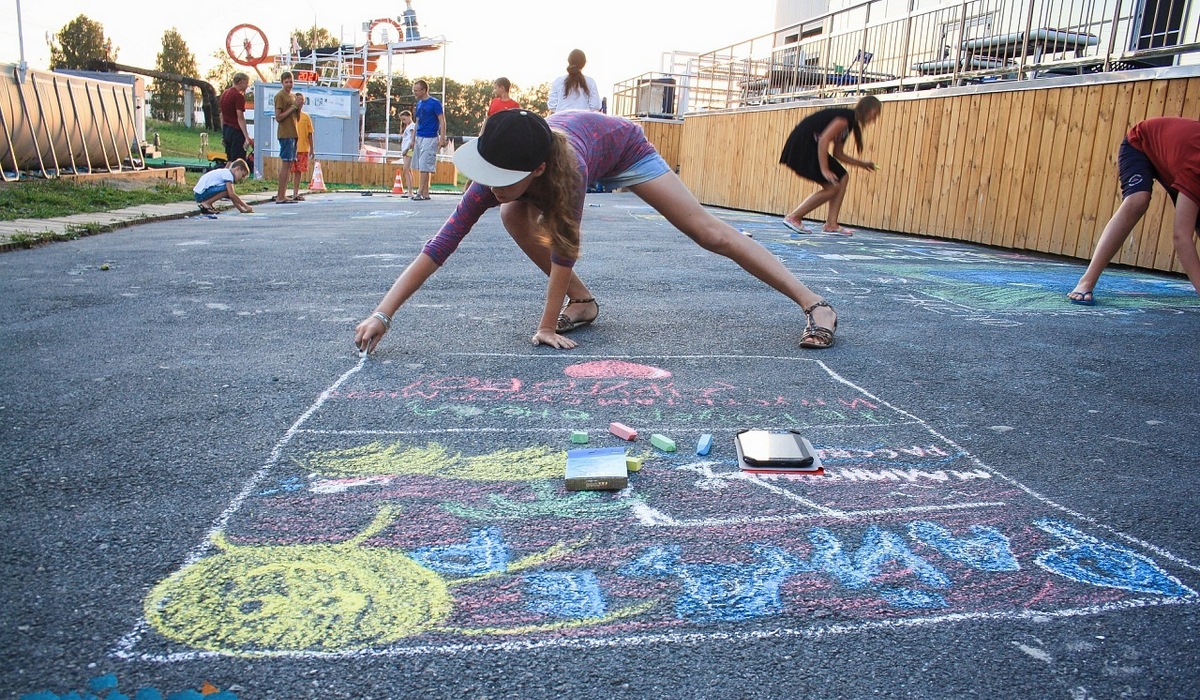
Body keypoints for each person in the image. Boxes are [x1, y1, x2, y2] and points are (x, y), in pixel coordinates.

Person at [354, 109, 840, 354]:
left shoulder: (569, 173)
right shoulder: (499, 174)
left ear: (537, 171)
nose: (491, 185)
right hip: (571, 149)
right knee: (509, 214)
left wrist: (546, 326)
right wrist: (383, 314)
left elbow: (564, 249)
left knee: (708, 233)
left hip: (624, 148)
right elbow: (440, 246)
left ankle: (815, 303)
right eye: (489, 175)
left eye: (504, 180)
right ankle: (583, 303)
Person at [1068, 117, 1200, 304]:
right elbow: (1181, 236)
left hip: (1174, 157)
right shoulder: (1195, 168)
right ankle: (1086, 281)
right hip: (1140, 143)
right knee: (1138, 200)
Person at [780, 95, 881, 236]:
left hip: (810, 146)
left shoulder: (850, 123)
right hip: (802, 146)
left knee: (843, 176)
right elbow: (823, 140)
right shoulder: (845, 118)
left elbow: (838, 153)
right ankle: (794, 217)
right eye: (875, 115)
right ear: (868, 109)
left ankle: (831, 224)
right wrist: (825, 169)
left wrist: (862, 164)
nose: (874, 119)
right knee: (833, 187)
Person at [410, 80, 447, 201]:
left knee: (425, 165)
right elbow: (417, 122)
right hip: (419, 136)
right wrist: (413, 139)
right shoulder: (419, 104)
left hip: (430, 137)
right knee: (421, 165)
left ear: (424, 90)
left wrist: (442, 138)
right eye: (414, 90)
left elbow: (442, 120)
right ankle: (425, 192)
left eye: (417, 90)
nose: (415, 92)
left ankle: (420, 192)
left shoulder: (434, 103)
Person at [273, 72, 301, 204]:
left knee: (289, 164)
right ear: (282, 83)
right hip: (285, 133)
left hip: (294, 133)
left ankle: (283, 194)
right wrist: (293, 107)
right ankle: (280, 195)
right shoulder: (280, 96)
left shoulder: (293, 96)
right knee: (285, 163)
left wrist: (299, 107)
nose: (289, 84)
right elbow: (278, 117)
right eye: (286, 82)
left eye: (291, 82)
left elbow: (297, 118)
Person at [548, 49, 601, 113]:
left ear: (569, 61)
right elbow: (595, 106)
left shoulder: (558, 81)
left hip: (561, 118)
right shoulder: (590, 82)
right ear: (584, 63)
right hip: (583, 118)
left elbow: (552, 105)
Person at [219, 72, 254, 165]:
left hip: (227, 129)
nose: (247, 86)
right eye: (246, 83)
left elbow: (222, 115)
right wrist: (246, 137)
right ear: (241, 82)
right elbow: (240, 117)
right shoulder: (238, 96)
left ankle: (225, 173)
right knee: (238, 161)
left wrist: (223, 133)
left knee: (230, 159)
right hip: (236, 131)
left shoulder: (225, 94)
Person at [289, 92, 315, 202]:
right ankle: (282, 193)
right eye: (299, 100)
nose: (301, 102)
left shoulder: (306, 117)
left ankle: (295, 193)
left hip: (303, 148)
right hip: (291, 148)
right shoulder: (290, 115)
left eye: (302, 101)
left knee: (298, 171)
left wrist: (312, 148)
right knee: (288, 170)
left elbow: (310, 133)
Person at [398, 109, 416, 197]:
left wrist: (407, 149)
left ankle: (410, 191)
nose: (403, 121)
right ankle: (410, 190)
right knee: (408, 170)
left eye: (404, 119)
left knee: (406, 169)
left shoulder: (412, 126)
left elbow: (412, 139)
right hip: (406, 150)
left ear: (409, 117)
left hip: (409, 150)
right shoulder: (408, 127)